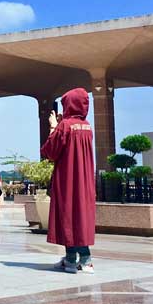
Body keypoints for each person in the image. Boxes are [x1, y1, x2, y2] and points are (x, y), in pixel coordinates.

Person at [42, 88, 97, 273]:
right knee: (81, 216)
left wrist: (53, 126)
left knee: (67, 215)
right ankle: (84, 259)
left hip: (67, 180)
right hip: (84, 180)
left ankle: (72, 260)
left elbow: (50, 151)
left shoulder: (65, 126)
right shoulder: (87, 126)